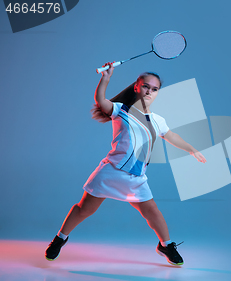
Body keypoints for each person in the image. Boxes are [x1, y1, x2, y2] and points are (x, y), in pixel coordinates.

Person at [45, 62, 206, 265]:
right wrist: (106, 79)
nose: (150, 91)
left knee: (153, 212)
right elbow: (101, 101)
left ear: (158, 93)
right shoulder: (120, 110)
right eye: (146, 86)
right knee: (84, 209)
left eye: (154, 89)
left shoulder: (158, 120)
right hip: (110, 172)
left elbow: (171, 136)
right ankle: (60, 239)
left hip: (136, 179)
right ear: (137, 87)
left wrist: (191, 149)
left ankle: (165, 245)